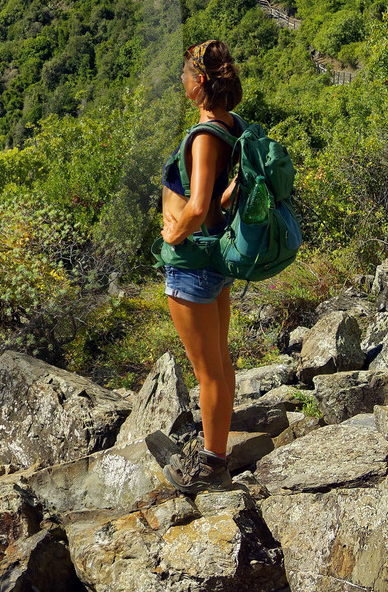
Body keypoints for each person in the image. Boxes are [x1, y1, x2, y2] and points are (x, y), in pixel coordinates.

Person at [154, 39, 243, 493]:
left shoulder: (207, 134)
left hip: (192, 264)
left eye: (185, 75)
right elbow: (229, 191)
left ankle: (211, 465)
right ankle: (216, 452)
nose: (181, 81)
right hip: (213, 257)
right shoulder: (231, 124)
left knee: (208, 371)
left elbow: (199, 203)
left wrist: (174, 233)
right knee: (219, 362)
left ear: (200, 80)